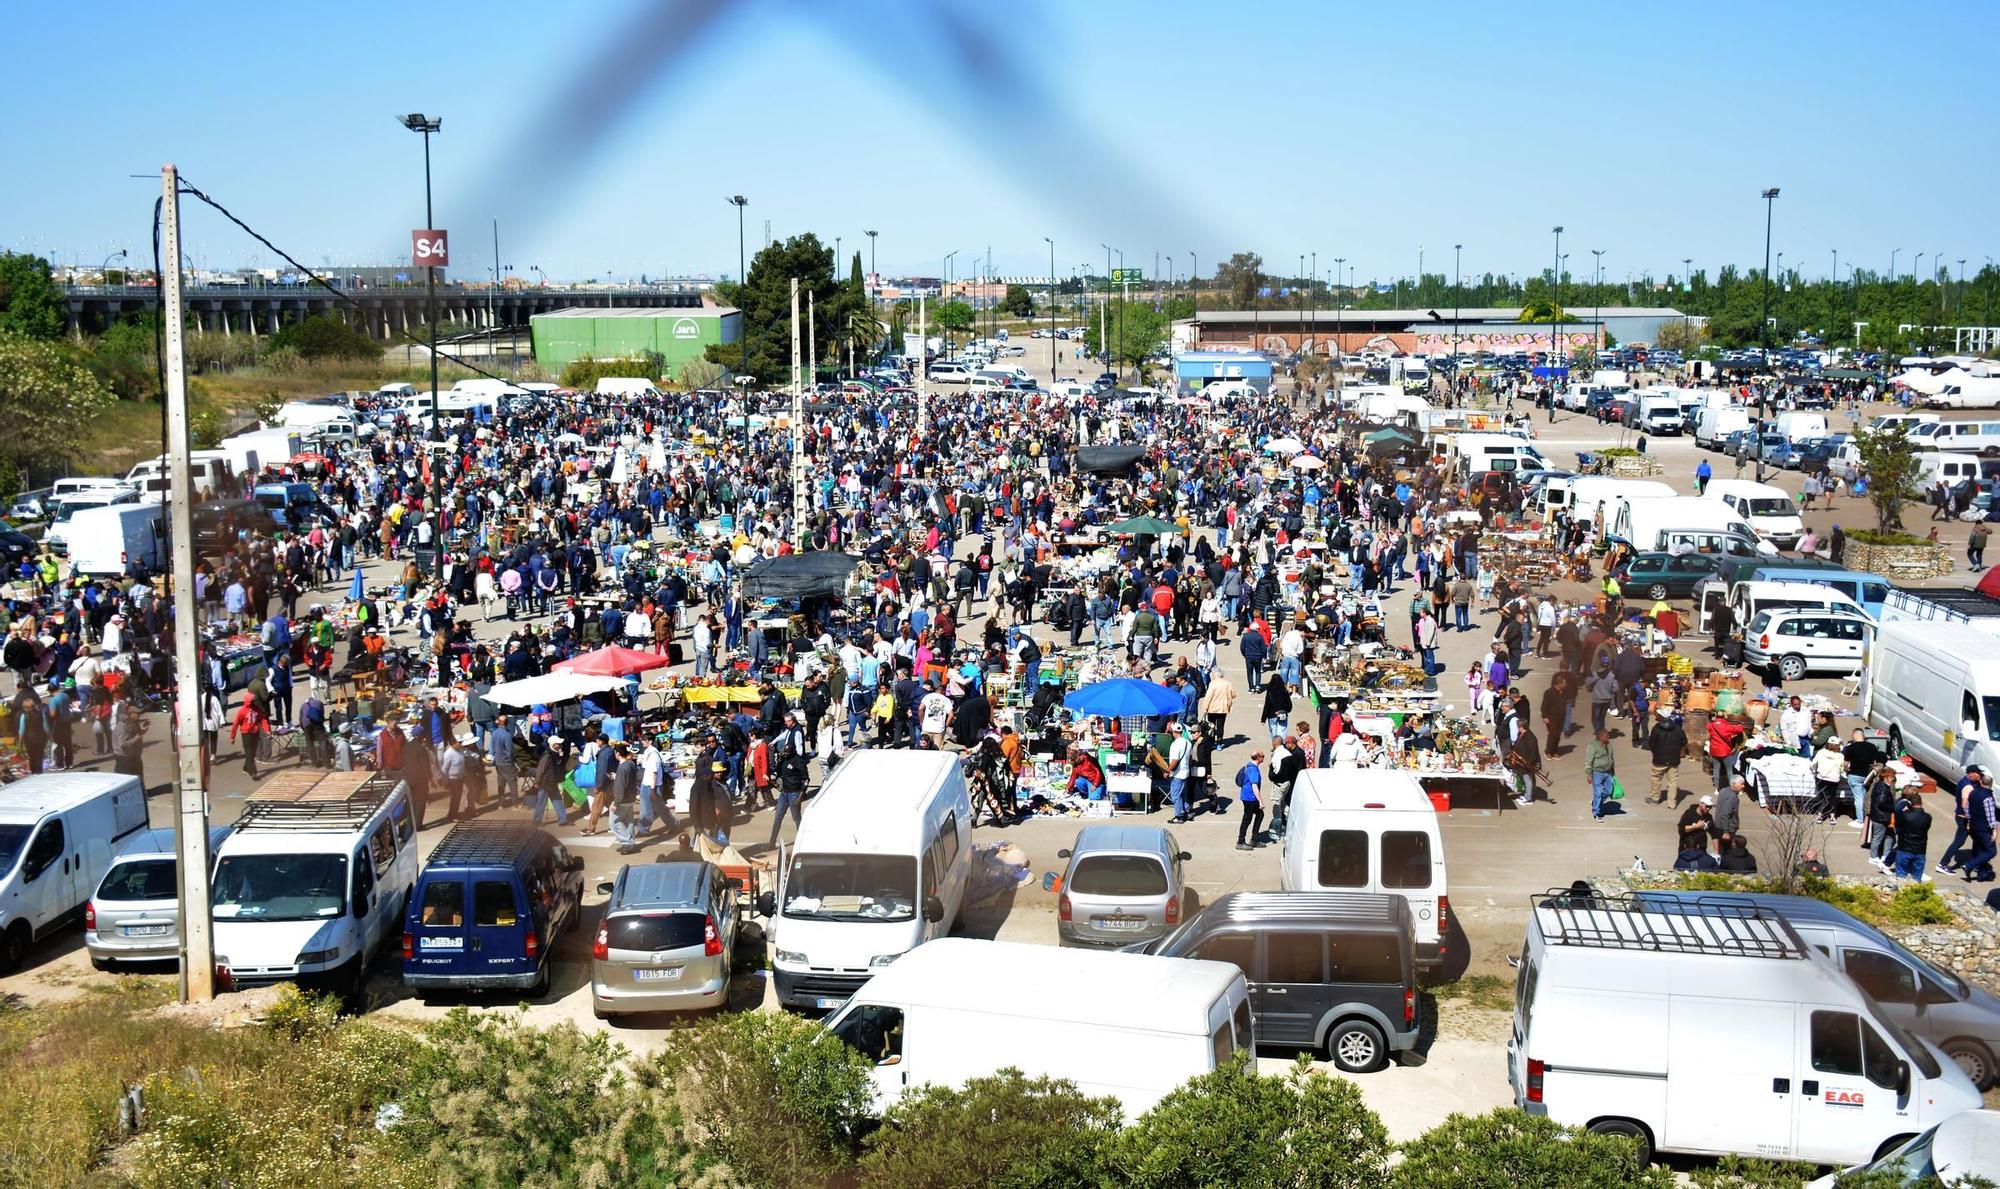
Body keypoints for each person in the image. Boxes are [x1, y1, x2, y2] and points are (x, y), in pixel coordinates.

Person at [1645, 708, 1686, 805]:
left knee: (1656, 778)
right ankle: (1672, 803)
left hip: (1659, 759)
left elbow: (1651, 744)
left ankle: (1655, 798)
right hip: (1674, 760)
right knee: (1673, 781)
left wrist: (1654, 752)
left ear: (1662, 717)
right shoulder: (1678, 729)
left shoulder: (1656, 729)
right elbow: (1684, 742)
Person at [1890, 790, 1932, 880]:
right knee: (1917, 877)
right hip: (1920, 849)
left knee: (1901, 876)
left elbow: (1898, 825)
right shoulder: (1928, 817)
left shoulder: (1905, 816)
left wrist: (1905, 811)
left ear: (1910, 804)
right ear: (1921, 803)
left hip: (1904, 848)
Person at [229, 693, 267, 781]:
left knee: (252, 753)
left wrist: (267, 730)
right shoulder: (242, 711)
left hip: (255, 733)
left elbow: (262, 719)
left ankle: (246, 767)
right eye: (253, 701)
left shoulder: (257, 709)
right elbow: (235, 724)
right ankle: (253, 773)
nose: (255, 702)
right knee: (249, 753)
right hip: (246, 734)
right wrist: (232, 737)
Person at [1235, 750, 1265, 850]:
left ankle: (1254, 839)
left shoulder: (1249, 765)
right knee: (1247, 819)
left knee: (1260, 814)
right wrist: (1260, 801)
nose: (1264, 758)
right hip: (1250, 798)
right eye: (1262, 756)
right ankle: (1240, 841)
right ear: (1258, 758)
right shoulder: (1253, 770)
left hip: (1248, 796)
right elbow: (1254, 786)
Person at [1585, 728, 1617, 820]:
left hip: (1608, 772)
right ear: (1600, 737)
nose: (1608, 737)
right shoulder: (1593, 746)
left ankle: (1595, 802)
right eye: (1606, 736)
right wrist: (1588, 774)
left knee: (1608, 791)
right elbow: (1588, 761)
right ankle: (1596, 812)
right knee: (1598, 793)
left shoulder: (1609, 745)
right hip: (1597, 773)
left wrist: (1613, 771)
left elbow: (1611, 758)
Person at [487, 715, 519, 808]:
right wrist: (512, 763)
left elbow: (491, 749)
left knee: (501, 783)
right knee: (512, 782)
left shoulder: (495, 733)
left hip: (498, 762)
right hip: (506, 762)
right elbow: (510, 751)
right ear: (507, 723)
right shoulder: (507, 735)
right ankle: (515, 803)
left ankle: (501, 803)